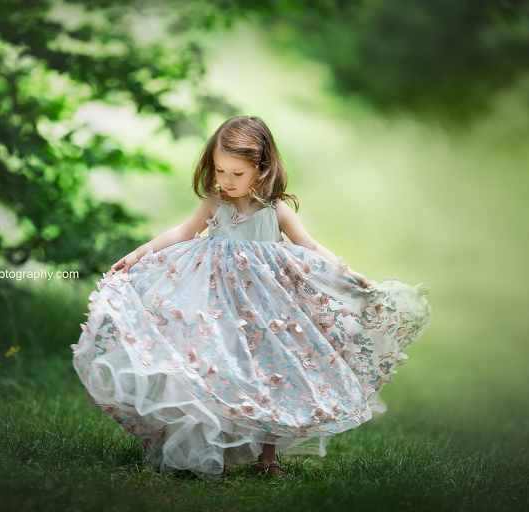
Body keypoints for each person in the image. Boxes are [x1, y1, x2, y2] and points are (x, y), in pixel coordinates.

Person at [71, 115, 432, 480]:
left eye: (236, 173)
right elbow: (182, 232)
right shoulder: (215, 203)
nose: (226, 181)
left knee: (270, 372)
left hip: (266, 311)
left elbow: (310, 246)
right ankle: (208, 440)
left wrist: (346, 272)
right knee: (214, 363)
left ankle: (268, 455)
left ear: (261, 170)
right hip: (218, 304)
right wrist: (137, 255)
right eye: (220, 170)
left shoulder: (277, 211)